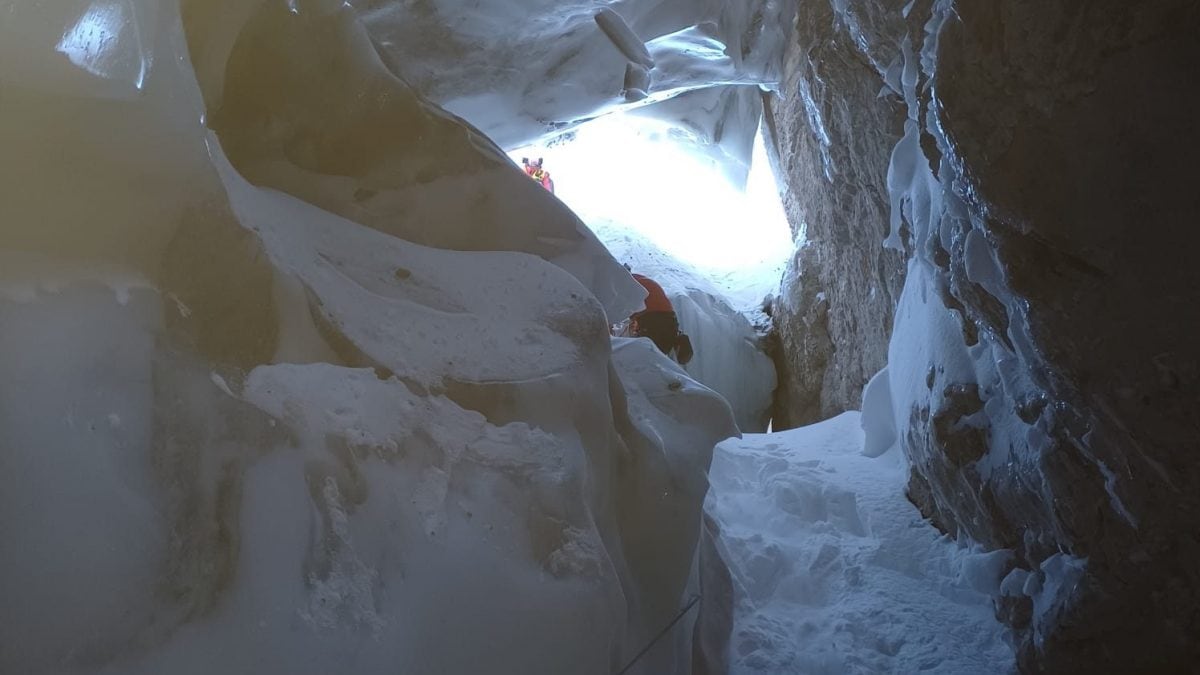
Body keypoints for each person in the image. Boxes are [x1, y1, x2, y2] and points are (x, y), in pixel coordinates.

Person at [625, 265, 694, 365]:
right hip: (670, 322)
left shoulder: (629, 283)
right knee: (658, 360)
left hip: (653, 322)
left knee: (645, 361)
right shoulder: (643, 280)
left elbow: (618, 310)